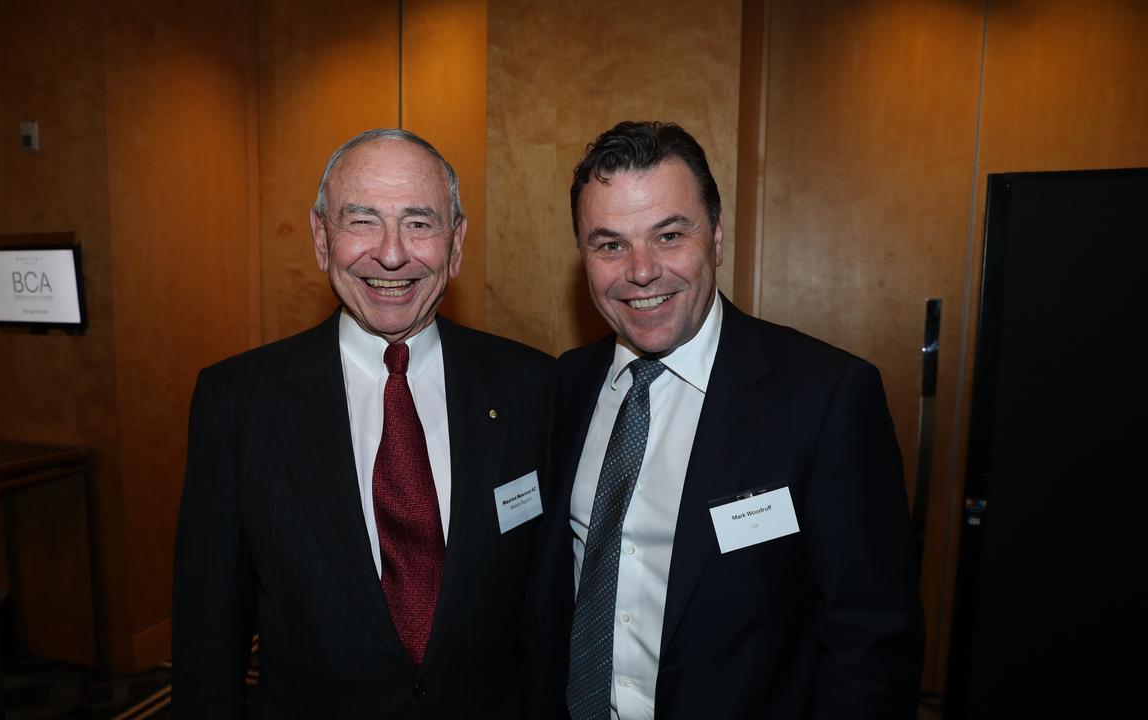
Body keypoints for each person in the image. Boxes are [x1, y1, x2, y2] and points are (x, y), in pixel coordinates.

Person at [528, 121, 923, 719]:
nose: (640, 271)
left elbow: (872, 637)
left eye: (668, 236)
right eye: (610, 244)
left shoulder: (825, 395)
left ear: (714, 237)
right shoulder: (567, 385)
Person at [173, 128, 555, 718]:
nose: (393, 253)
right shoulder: (237, 402)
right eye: (362, 221)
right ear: (321, 239)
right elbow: (208, 640)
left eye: (420, 222)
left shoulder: (534, 387)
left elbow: (548, 613)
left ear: (455, 245)